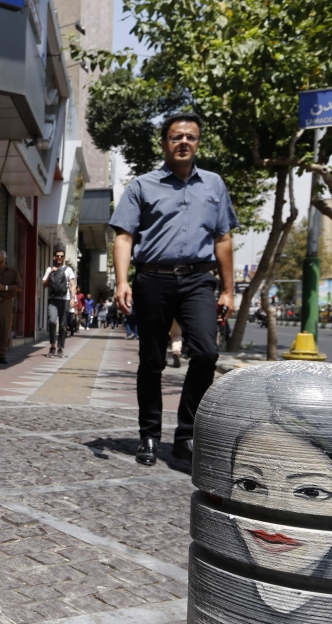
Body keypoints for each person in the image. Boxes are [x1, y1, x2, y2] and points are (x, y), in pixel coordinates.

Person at [110, 112, 237, 467]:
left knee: (207, 353)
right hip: (153, 279)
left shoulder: (214, 185)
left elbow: (223, 239)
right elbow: (124, 236)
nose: (183, 142)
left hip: (198, 279)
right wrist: (122, 281)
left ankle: (186, 436)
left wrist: (228, 290)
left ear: (198, 143)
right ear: (165, 142)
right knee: (151, 361)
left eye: (190, 137)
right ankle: (149, 436)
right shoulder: (142, 186)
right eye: (176, 136)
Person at [42, 247, 75, 357]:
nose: (59, 258)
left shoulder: (68, 270)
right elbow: (44, 285)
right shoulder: (49, 269)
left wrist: (72, 298)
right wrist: (51, 272)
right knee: (52, 321)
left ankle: (60, 348)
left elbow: (72, 285)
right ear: (54, 257)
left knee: (63, 325)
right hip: (52, 299)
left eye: (61, 256)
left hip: (64, 300)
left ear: (64, 257)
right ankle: (53, 346)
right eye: (57, 256)